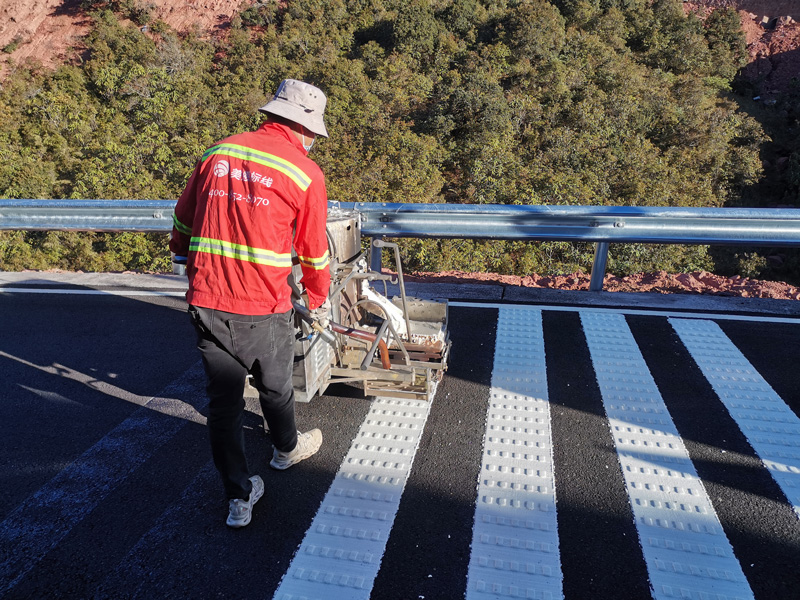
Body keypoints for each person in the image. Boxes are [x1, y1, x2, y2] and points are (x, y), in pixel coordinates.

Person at [170, 79, 332, 528]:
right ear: (304, 129)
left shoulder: (217, 153)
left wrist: (184, 256)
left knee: (223, 405)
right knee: (275, 386)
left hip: (207, 300)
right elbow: (314, 251)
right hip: (263, 304)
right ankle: (286, 449)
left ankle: (239, 499)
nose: (313, 143)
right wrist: (316, 297)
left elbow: (183, 217)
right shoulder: (303, 173)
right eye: (314, 136)